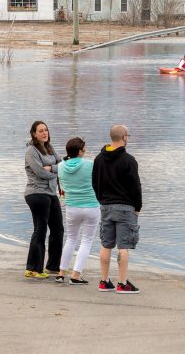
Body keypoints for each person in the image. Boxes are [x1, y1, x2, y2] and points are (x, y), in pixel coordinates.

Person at [92, 124, 141, 294]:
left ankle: (104, 281)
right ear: (123, 137)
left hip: (105, 206)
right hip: (125, 207)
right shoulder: (129, 160)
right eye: (128, 135)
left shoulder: (99, 159)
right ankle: (122, 282)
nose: (128, 138)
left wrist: (102, 200)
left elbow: (95, 182)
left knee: (106, 244)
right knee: (123, 246)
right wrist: (138, 207)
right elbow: (136, 186)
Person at [24, 120, 64, 279]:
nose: (44, 133)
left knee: (58, 229)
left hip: (51, 193)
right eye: (40, 131)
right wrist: (57, 173)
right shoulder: (31, 150)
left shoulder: (49, 148)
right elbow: (40, 172)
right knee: (40, 230)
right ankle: (33, 268)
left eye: (46, 130)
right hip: (36, 194)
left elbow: (62, 164)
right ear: (34, 133)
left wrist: (53, 168)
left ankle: (53, 266)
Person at [57, 137, 99, 285]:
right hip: (91, 206)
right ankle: (75, 274)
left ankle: (61, 272)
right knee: (86, 241)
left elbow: (62, 185)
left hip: (71, 207)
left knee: (71, 239)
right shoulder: (90, 164)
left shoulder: (61, 166)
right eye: (84, 149)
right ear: (80, 151)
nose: (85, 151)